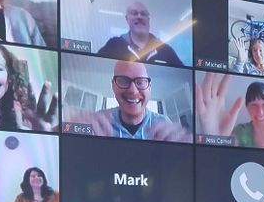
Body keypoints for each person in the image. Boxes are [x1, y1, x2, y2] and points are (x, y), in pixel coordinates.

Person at [63, 60, 191, 142]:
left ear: (149, 88)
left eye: (140, 82)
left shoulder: (164, 123)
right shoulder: (99, 121)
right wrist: (59, 131)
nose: (133, 91)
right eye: (123, 81)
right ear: (113, 85)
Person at [196, 73, 264, 151]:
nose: (260, 112)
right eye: (254, 105)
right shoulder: (241, 131)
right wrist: (213, 141)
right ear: (247, 108)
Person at [97, 2, 184, 66]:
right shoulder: (114, 44)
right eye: (134, 13)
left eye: (143, 14)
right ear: (127, 19)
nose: (139, 16)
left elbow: (183, 75)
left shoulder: (165, 49)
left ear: (148, 20)